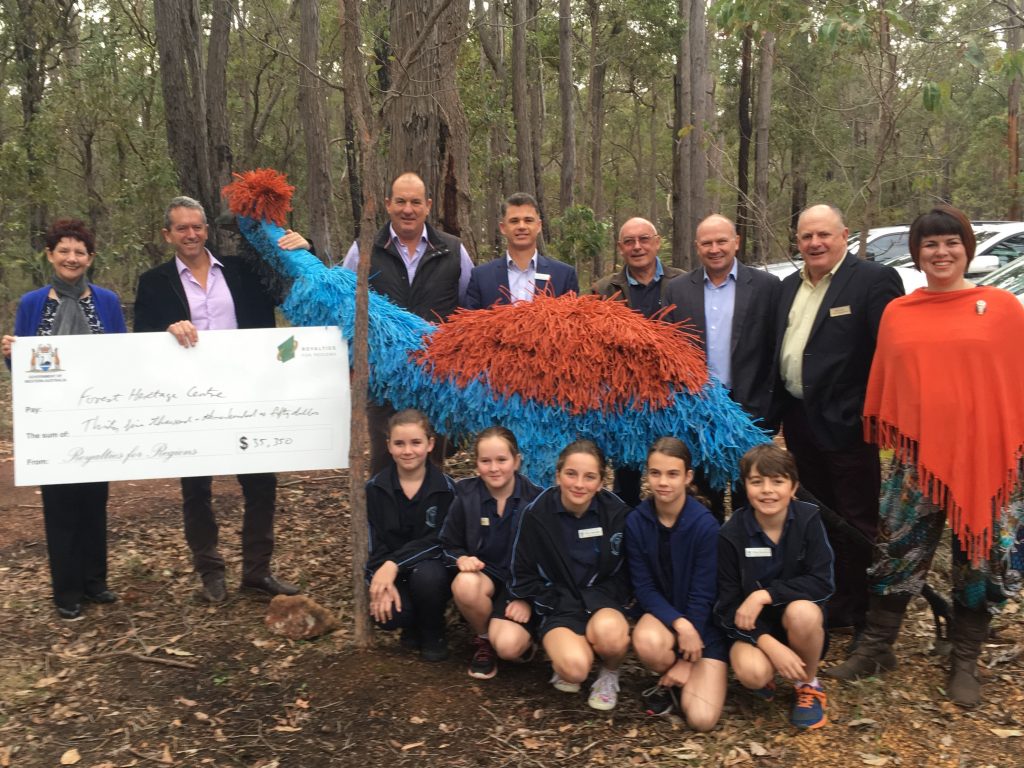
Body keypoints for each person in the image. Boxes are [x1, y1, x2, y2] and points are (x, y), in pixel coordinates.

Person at [824, 205, 1024, 708]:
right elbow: (892, 385)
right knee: (895, 550)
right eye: (930, 244)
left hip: (987, 460)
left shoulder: (1001, 308)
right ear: (916, 254)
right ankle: (876, 647)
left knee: (979, 561)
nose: (941, 252)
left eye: (951, 242)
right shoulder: (900, 312)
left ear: (967, 249)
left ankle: (964, 660)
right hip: (918, 459)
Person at [134, 196, 299, 603]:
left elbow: (286, 279)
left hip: (248, 392)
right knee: (196, 488)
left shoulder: (241, 270)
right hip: (191, 400)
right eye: (182, 228)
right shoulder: (153, 282)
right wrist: (166, 330)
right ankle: (210, 573)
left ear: (207, 230)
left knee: (261, 483)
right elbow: (139, 341)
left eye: (197, 227)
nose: (191, 234)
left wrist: (302, 243)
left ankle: (257, 572)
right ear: (167, 234)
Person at [774, 204, 903, 634]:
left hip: (849, 424)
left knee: (855, 516)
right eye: (807, 236)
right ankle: (829, 594)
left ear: (844, 234)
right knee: (818, 510)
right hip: (800, 421)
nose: (815, 243)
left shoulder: (872, 281)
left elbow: (891, 353)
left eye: (823, 235)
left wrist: (870, 411)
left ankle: (859, 606)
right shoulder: (788, 286)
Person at [2, 219, 126, 620]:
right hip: (51, 419)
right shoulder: (32, 303)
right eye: (64, 250)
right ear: (50, 255)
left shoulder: (106, 301)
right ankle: (66, 591)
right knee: (60, 506)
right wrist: (9, 353)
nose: (72, 258)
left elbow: (124, 354)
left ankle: (95, 582)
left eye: (80, 252)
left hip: (97, 416)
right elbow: (20, 366)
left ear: (90, 258)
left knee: (95, 501)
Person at [342, 172, 474, 475]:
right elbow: (344, 308)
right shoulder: (363, 249)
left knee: (433, 466)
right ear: (388, 204)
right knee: (383, 465)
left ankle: (434, 522)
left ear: (428, 206)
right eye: (400, 201)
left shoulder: (454, 250)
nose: (408, 209)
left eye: (416, 202)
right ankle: (381, 522)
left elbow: (470, 310)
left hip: (436, 381)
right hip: (383, 381)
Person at [664, 214, 781, 517]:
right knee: (705, 498)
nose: (714, 249)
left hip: (750, 413)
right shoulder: (677, 289)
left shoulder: (767, 286)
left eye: (721, 241)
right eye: (707, 243)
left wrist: (771, 408)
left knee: (752, 495)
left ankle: (747, 559)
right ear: (697, 247)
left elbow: (775, 349)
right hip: (700, 415)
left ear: (736, 243)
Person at [715, 443, 834, 730]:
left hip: (798, 623)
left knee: (802, 612)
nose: (767, 490)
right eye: (757, 482)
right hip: (750, 628)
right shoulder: (731, 534)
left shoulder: (808, 519)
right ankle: (768, 669)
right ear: (745, 487)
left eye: (778, 481)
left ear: (793, 488)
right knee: (752, 673)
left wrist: (764, 595)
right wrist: (767, 642)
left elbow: (823, 582)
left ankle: (808, 685)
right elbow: (725, 607)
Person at [510, 440, 631, 711]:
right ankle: (572, 654)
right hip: (559, 605)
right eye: (571, 474)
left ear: (601, 482)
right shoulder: (537, 514)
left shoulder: (617, 514)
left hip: (601, 602)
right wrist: (548, 601)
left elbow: (627, 572)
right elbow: (523, 572)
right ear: (558, 475)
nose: (579, 484)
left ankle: (609, 672)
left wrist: (609, 600)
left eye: (590, 477)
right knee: (575, 671)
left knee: (611, 634)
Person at [626, 437, 727, 731]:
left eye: (672, 474)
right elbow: (643, 588)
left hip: (704, 626)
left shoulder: (705, 526)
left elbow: (705, 593)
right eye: (655, 473)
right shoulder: (636, 522)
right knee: (647, 641)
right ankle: (671, 674)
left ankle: (688, 670)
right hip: (664, 617)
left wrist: (689, 652)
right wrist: (680, 625)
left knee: (702, 719)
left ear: (688, 477)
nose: (663, 482)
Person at [591, 217, 684, 506]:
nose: (637, 247)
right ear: (620, 248)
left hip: (675, 397)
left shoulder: (682, 282)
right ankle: (627, 537)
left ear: (657, 242)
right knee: (627, 479)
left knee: (672, 471)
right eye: (629, 241)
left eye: (644, 239)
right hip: (624, 402)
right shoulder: (603, 290)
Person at [440, 427, 543, 679]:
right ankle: (484, 639)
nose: (494, 468)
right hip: (485, 579)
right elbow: (448, 544)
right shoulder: (466, 495)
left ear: (516, 461)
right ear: (476, 463)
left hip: (520, 587)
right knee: (464, 583)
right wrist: (461, 558)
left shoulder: (537, 501)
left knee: (509, 648)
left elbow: (548, 561)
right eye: (485, 461)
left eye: (502, 460)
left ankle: (526, 639)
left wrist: (528, 599)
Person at [366, 409, 456, 661]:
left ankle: (433, 629)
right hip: (390, 571)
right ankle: (411, 623)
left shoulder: (447, 490)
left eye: (416, 442)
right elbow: (372, 542)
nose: (408, 451)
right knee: (390, 615)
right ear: (389, 446)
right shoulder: (374, 489)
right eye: (399, 443)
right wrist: (377, 579)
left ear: (430, 444)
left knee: (428, 576)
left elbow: (441, 541)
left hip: (431, 573)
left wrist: (395, 564)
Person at [464, 192, 578, 309]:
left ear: (539, 226)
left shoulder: (564, 275)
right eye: (514, 221)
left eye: (528, 220)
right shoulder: (481, 276)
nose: (522, 226)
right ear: (503, 228)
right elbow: (469, 322)